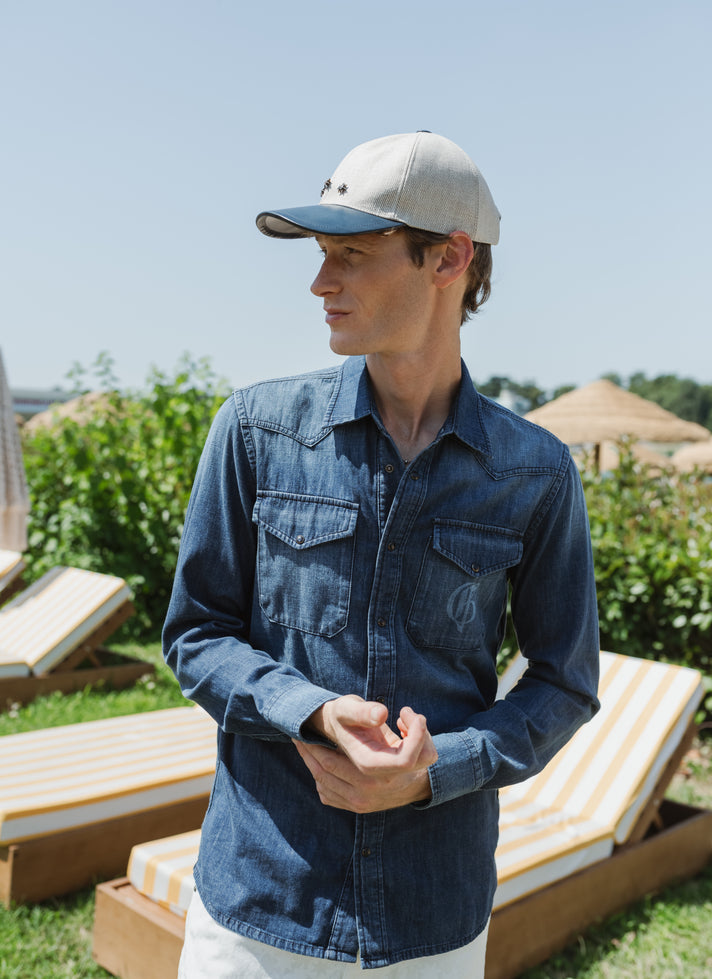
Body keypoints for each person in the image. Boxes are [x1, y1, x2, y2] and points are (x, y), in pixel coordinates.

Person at [163, 131, 600, 977]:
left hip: (432, 918)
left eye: (352, 255)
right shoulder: (255, 430)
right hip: (259, 905)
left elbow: (563, 681)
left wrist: (441, 767)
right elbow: (196, 633)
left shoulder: (535, 471)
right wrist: (312, 709)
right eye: (322, 255)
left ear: (450, 259)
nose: (321, 282)